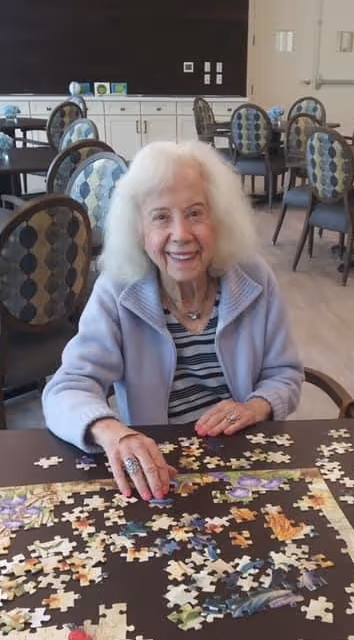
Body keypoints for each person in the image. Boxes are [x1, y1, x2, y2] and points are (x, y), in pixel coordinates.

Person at [43, 139, 303, 501]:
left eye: (196, 213)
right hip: (159, 471)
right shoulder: (117, 292)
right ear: (139, 231)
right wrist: (115, 433)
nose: (181, 234)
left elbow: (286, 375)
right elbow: (66, 388)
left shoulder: (254, 277)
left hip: (250, 465)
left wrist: (256, 405)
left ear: (219, 217)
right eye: (161, 217)